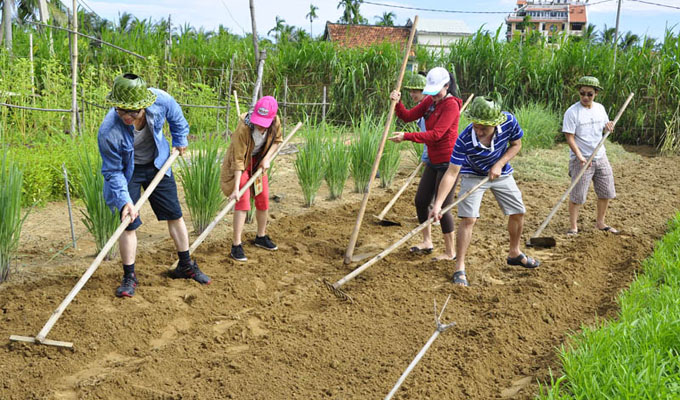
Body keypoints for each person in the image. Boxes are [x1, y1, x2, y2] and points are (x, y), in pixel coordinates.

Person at [99, 73, 211, 298]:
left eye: (134, 112)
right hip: (127, 172)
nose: (128, 116)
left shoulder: (160, 99)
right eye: (122, 111)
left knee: (175, 214)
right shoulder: (108, 131)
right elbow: (112, 171)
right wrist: (124, 202)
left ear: (144, 105)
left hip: (158, 162)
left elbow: (177, 117)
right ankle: (129, 276)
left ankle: (185, 264)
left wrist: (180, 140)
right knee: (128, 222)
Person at [429, 95, 540, 287]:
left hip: (502, 172)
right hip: (473, 175)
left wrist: (499, 164)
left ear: (495, 124)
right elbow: (451, 173)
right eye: (476, 126)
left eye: (484, 128)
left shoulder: (509, 121)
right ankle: (460, 267)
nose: (479, 131)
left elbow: (516, 145)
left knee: (518, 212)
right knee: (468, 219)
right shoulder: (464, 139)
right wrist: (438, 205)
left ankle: (514, 252)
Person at [389, 67, 462, 261]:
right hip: (433, 159)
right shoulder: (430, 101)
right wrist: (397, 103)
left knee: (443, 208)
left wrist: (407, 137)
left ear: (447, 86)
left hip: (448, 161)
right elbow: (407, 116)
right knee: (421, 201)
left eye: (437, 90)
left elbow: (437, 134)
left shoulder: (451, 105)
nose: (434, 95)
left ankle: (450, 251)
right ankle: (427, 241)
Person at [220, 96, 283, 262]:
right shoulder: (243, 129)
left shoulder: (275, 122)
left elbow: (277, 141)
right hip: (241, 163)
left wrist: (267, 158)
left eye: (264, 123)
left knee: (262, 198)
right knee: (243, 199)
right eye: (258, 122)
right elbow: (239, 160)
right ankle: (236, 245)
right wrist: (236, 189)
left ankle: (261, 237)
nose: (260, 126)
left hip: (259, 162)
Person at [563, 76, 617, 235]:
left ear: (596, 94)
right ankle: (573, 227)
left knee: (606, 192)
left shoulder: (600, 108)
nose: (585, 97)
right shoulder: (572, 112)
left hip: (601, 156)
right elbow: (569, 137)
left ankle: (600, 223)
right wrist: (580, 157)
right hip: (581, 159)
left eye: (589, 94)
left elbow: (605, 130)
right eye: (582, 93)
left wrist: (609, 127)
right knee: (577, 195)